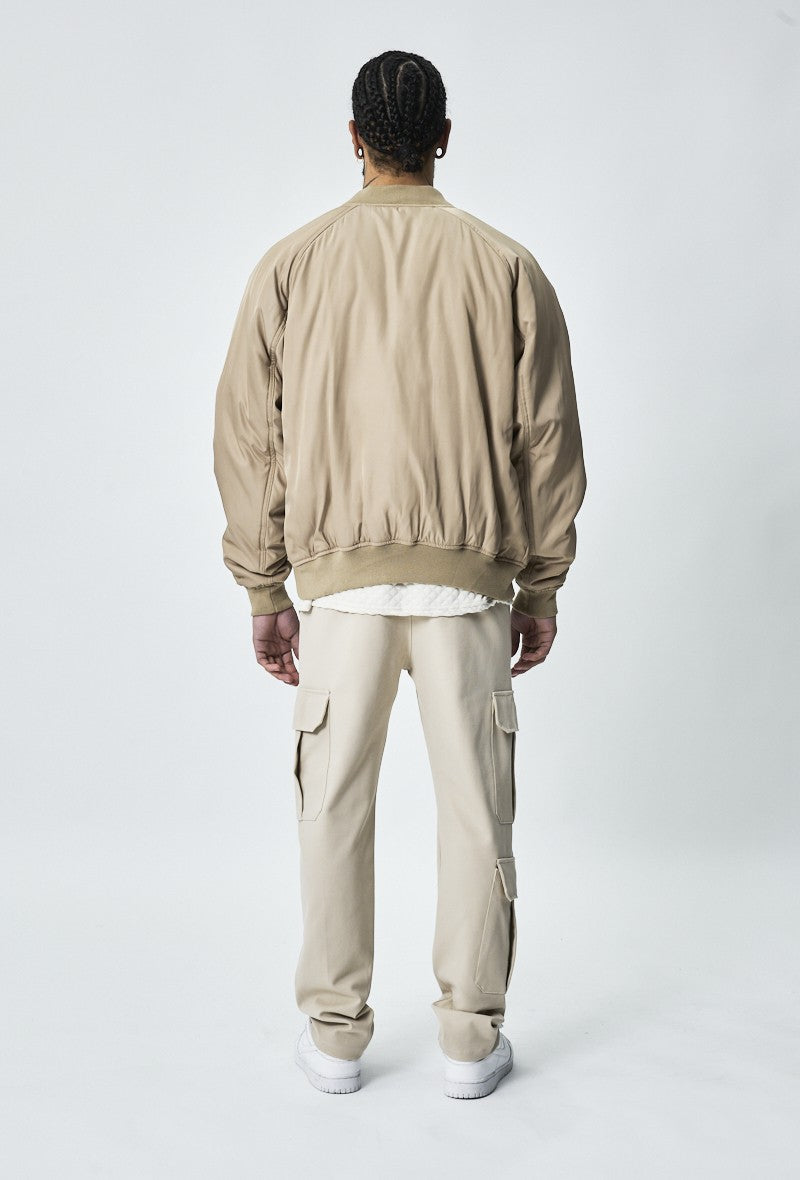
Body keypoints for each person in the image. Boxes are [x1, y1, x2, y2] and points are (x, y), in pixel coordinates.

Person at [213, 49, 587, 1099]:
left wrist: (264, 586)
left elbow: (248, 438)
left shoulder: (292, 263)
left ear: (354, 139)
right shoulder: (506, 265)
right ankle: (469, 1039)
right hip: (468, 591)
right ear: (443, 137)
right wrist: (541, 583)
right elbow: (549, 440)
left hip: (338, 592)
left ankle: (336, 1039)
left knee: (332, 809)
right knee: (477, 813)